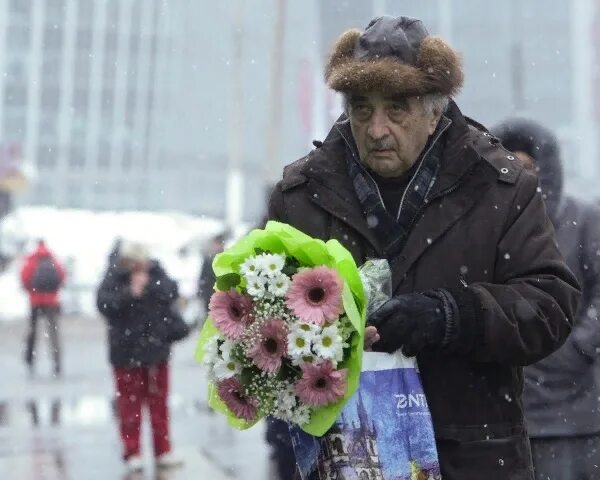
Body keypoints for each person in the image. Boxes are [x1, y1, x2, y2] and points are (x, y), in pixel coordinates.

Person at [268, 16, 581, 479]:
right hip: (348, 453)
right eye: (360, 108)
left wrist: (453, 315)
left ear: (435, 111)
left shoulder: (501, 188)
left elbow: (550, 306)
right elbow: (262, 323)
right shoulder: (302, 194)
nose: (376, 129)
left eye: (397, 108)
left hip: (471, 454)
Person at [492, 118, 600, 480]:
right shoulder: (487, 227)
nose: (519, 175)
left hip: (573, 408)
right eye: (509, 164)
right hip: (506, 406)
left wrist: (578, 346)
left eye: (527, 166)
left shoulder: (583, 220)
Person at [96, 240, 183, 473]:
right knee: (129, 406)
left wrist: (150, 286)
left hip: (156, 353)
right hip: (126, 355)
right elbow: (104, 304)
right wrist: (129, 293)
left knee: (159, 405)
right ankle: (132, 452)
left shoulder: (157, 271)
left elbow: (172, 292)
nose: (140, 266)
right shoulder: (114, 276)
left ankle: (163, 450)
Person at [20, 239, 66, 377]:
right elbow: (62, 276)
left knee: (33, 332)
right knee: (53, 332)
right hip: (52, 301)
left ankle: (30, 360)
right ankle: (56, 360)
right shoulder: (52, 258)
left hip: (35, 301)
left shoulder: (32, 259)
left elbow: (24, 277)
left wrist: (32, 291)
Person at [196, 233, 226, 314]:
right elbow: (202, 278)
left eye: (219, 244)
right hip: (208, 295)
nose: (217, 246)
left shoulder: (225, 259)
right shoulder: (208, 260)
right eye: (216, 244)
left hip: (221, 295)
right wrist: (201, 292)